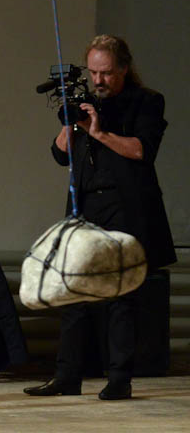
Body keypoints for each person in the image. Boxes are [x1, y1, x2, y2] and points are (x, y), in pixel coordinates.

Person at [25, 35, 175, 401]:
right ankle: (66, 377)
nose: (98, 80)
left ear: (123, 68)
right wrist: (71, 121)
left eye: (106, 73)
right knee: (72, 290)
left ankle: (119, 379)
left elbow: (142, 150)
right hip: (85, 206)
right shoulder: (87, 102)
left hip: (124, 206)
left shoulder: (146, 101)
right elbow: (60, 154)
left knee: (121, 294)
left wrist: (100, 133)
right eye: (93, 72)